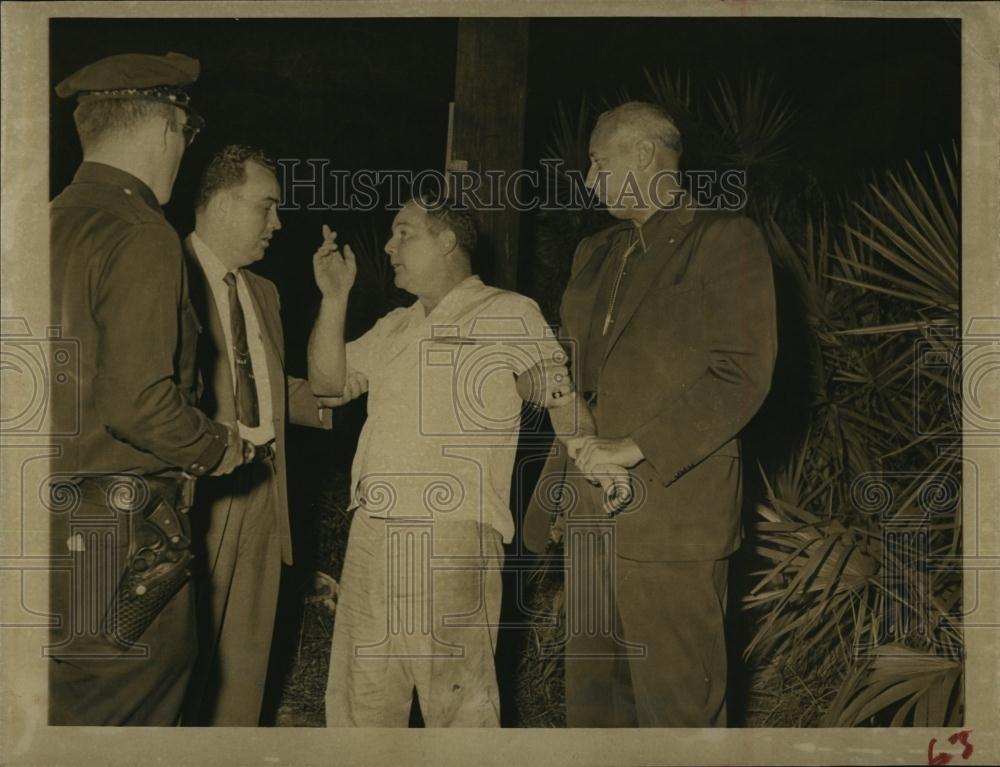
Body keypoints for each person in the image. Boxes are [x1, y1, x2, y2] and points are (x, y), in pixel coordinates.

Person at [523, 101, 777, 727]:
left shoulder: (724, 239)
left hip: (673, 520)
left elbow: (741, 374)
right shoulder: (593, 252)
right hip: (587, 511)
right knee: (594, 705)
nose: (588, 180)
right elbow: (578, 376)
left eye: (597, 162)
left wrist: (631, 447)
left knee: (678, 711)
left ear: (641, 154)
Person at [309, 197, 566, 727]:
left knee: (458, 712)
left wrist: (589, 455)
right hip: (373, 532)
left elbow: (554, 391)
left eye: (404, 233)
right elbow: (327, 384)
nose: (388, 247)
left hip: (451, 535)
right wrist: (334, 298)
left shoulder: (506, 310)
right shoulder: (395, 326)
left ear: (447, 240)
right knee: (362, 705)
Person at [49, 52, 248, 726]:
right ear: (167, 126)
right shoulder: (140, 232)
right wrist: (217, 445)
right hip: (119, 540)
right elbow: (137, 402)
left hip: (38, 522)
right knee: (129, 715)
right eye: (187, 137)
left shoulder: (46, 221)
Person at [176, 145, 364, 725]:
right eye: (267, 207)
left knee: (244, 669)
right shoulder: (167, 271)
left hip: (264, 492)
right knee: (181, 673)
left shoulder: (264, 292)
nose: (277, 224)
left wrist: (347, 390)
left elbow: (267, 383)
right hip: (197, 497)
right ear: (223, 204)